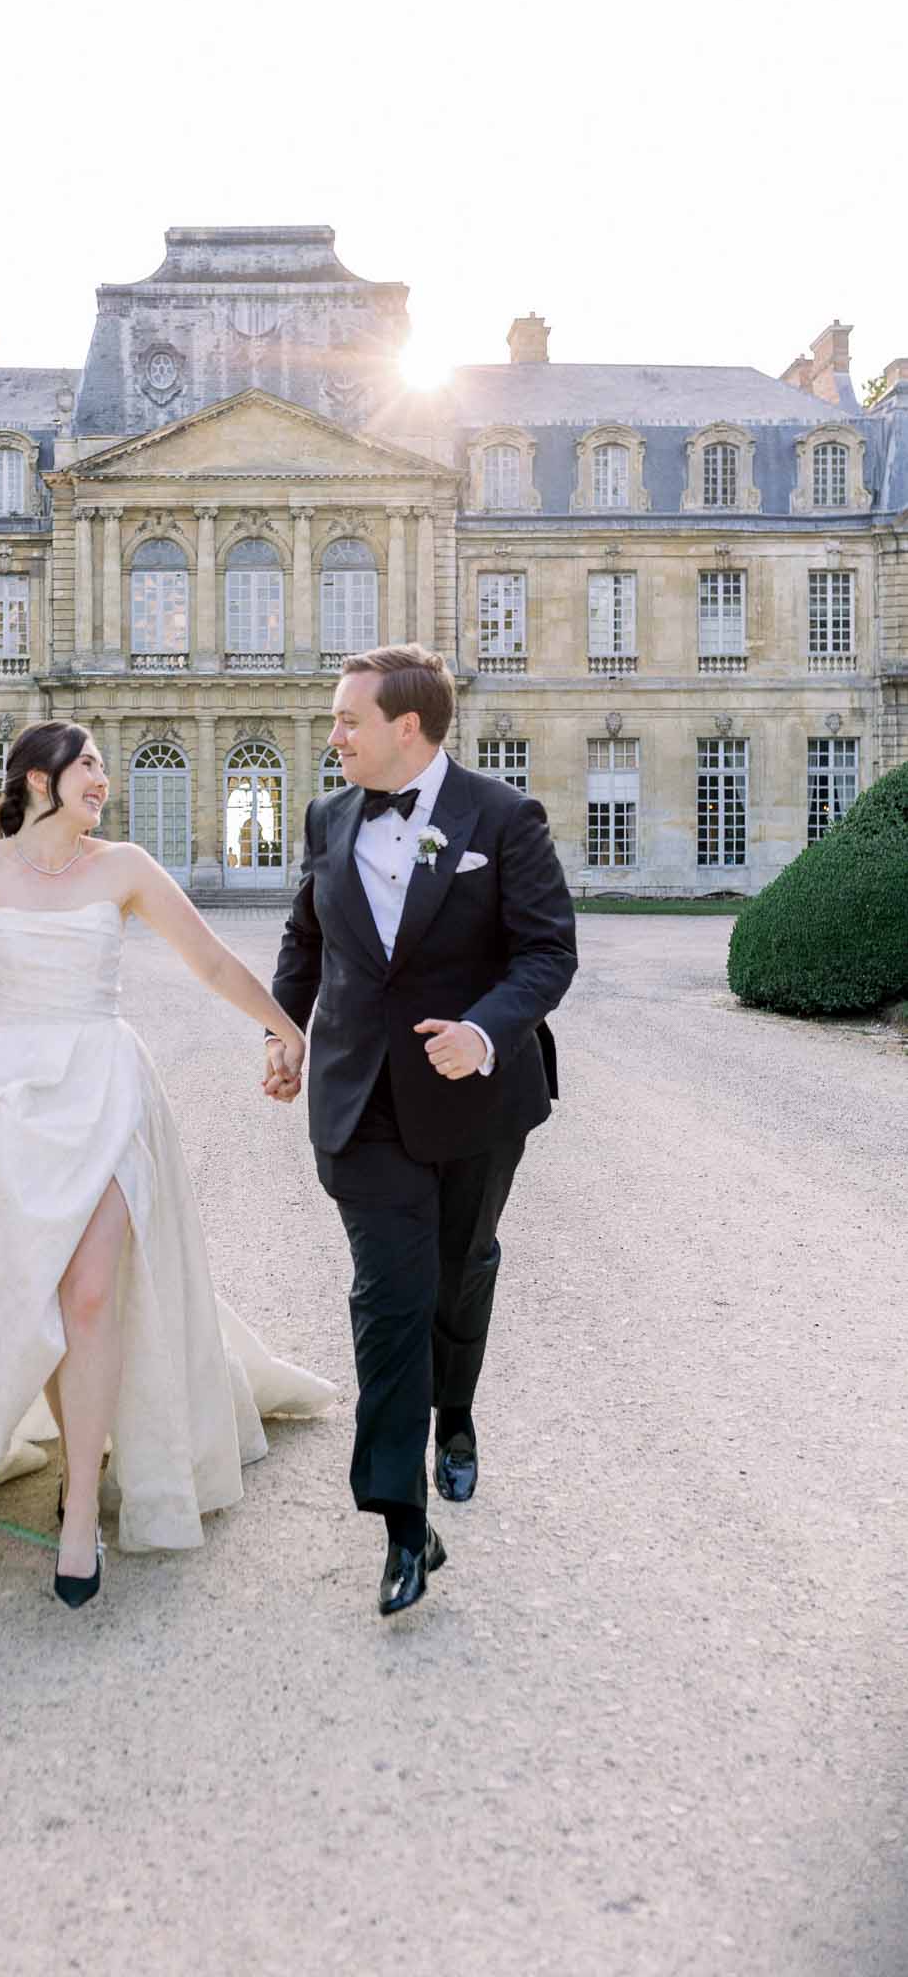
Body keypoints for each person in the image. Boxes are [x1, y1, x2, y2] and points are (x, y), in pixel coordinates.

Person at [0, 720, 335, 1608]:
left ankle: (80, 1507)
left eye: (101, 768)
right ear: (39, 779)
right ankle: (50, 1440)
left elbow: (207, 958)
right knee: (30, 1291)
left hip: (106, 1085)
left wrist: (284, 1028)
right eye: (87, 765)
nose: (102, 780)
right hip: (7, 1095)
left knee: (89, 1290)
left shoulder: (122, 867)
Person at [265, 646, 577, 1617]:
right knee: (388, 1297)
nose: (333, 735)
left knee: (459, 1271)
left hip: (478, 1099)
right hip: (360, 1102)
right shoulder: (326, 818)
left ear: (408, 727)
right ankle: (402, 1519)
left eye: (348, 719)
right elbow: (305, 940)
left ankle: (458, 1414)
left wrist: (484, 1029)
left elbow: (549, 948)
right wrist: (284, 1029)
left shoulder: (501, 817)